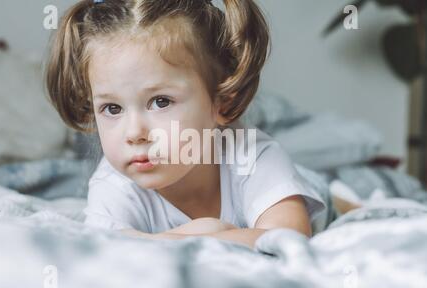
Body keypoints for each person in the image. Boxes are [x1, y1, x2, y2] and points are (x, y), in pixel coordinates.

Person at [45, 0, 326, 249]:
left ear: (222, 103)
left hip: (297, 186)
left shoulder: (252, 155)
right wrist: (199, 235)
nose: (134, 134)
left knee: (322, 192)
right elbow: (105, 254)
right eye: (112, 108)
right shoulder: (114, 185)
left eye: (161, 102)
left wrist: (149, 243)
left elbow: (288, 240)